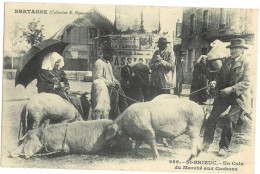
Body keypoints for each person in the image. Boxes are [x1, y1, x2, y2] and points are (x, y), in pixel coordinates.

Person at [202, 38, 252, 156]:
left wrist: (231, 89)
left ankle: (223, 147)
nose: (232, 51)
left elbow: (247, 82)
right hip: (224, 94)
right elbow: (220, 76)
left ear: (242, 50)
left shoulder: (247, 62)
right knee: (212, 117)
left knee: (229, 119)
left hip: (239, 97)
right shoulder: (227, 61)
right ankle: (206, 143)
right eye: (231, 48)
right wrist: (215, 82)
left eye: (235, 49)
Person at [37, 52, 89, 120]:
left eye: (59, 62)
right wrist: (55, 85)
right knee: (74, 100)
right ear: (52, 62)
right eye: (56, 62)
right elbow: (41, 85)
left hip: (61, 91)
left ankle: (80, 116)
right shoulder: (44, 72)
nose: (58, 64)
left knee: (80, 98)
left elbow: (64, 81)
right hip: (50, 92)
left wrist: (66, 87)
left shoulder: (60, 71)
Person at [93, 46, 128, 119]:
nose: (111, 56)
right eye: (109, 54)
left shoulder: (108, 63)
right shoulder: (99, 63)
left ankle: (124, 114)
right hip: (103, 85)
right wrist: (109, 83)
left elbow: (111, 76)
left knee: (122, 94)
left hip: (111, 84)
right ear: (104, 53)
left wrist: (115, 81)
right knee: (114, 95)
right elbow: (98, 77)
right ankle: (113, 115)